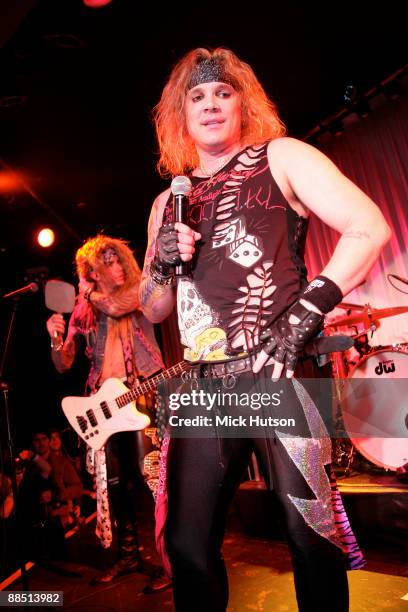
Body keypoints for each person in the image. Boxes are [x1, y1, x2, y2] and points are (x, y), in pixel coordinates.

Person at [139, 47, 391, 611]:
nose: (209, 106)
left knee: (311, 535)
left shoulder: (282, 157)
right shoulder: (167, 203)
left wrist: (306, 313)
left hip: (277, 373)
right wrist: (159, 261)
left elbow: (368, 226)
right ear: (179, 115)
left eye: (222, 94)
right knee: (186, 544)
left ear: (242, 102)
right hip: (202, 387)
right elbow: (154, 308)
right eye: (196, 97)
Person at [46, 235, 171, 592]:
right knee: (114, 485)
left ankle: (171, 561)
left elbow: (117, 306)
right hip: (102, 409)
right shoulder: (84, 313)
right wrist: (55, 338)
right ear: (93, 270)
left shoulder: (139, 292)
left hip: (141, 395)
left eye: (119, 260)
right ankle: (128, 555)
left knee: (152, 481)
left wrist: (87, 293)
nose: (117, 266)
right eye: (108, 261)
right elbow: (63, 363)